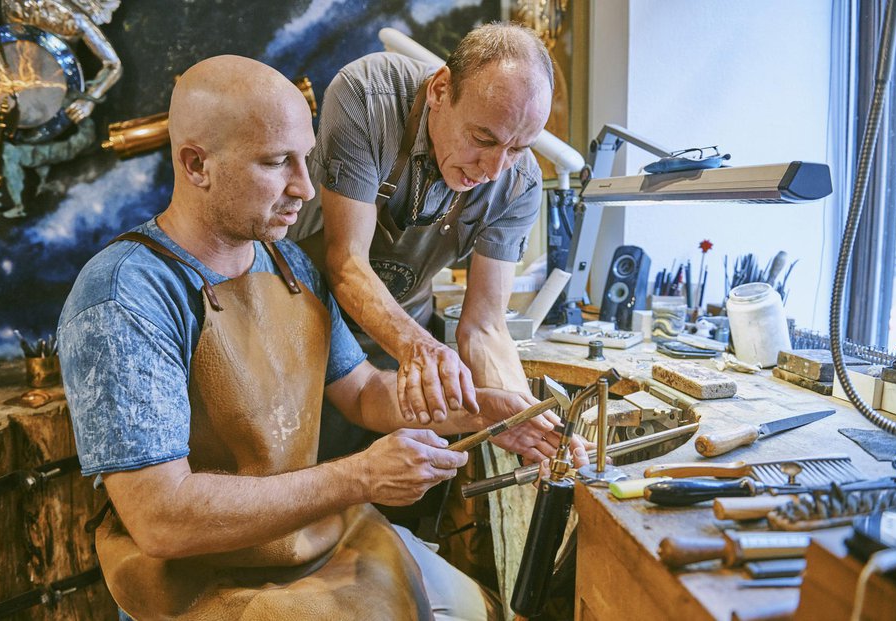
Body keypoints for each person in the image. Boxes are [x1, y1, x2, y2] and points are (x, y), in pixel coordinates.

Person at [58, 54, 581, 621]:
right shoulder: (126, 294)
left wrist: (484, 413)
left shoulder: (291, 268)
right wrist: (359, 475)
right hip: (203, 574)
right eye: (278, 162)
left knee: (494, 614)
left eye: (306, 160)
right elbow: (162, 518)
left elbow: (362, 394)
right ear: (196, 164)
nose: (306, 189)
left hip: (318, 537)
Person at [294, 22, 566, 461]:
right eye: (483, 139)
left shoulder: (520, 184)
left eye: (518, 148)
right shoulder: (367, 96)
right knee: (291, 477)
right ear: (441, 90)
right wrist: (422, 348)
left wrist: (526, 419)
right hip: (299, 319)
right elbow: (345, 263)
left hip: (396, 344)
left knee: (386, 498)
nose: (495, 169)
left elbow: (484, 327)